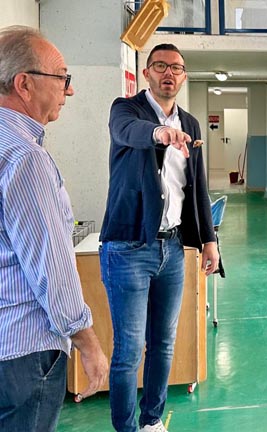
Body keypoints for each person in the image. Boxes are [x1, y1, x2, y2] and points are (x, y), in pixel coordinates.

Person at [99, 43, 219, 432]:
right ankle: (126, 428)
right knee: (129, 352)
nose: (170, 73)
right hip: (128, 247)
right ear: (148, 72)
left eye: (177, 68)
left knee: (164, 345)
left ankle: (152, 421)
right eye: (161, 66)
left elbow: (195, 186)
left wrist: (208, 240)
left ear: (184, 77)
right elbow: (129, 133)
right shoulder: (126, 110)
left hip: (171, 249)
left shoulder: (192, 123)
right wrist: (160, 133)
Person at [0, 25, 108, 431]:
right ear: (24, 84)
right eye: (62, 78)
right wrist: (88, 343)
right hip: (25, 353)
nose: (70, 90)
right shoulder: (24, 158)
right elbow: (50, 266)